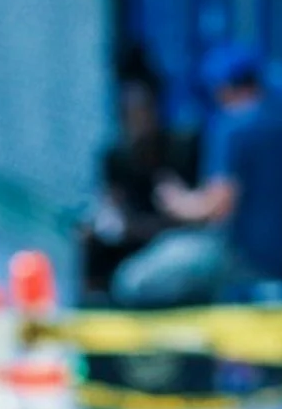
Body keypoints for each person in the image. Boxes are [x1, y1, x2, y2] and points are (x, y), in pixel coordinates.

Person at [110, 43, 282, 308]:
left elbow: (216, 207)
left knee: (132, 282)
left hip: (244, 259)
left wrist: (177, 200)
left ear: (225, 87)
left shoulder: (232, 128)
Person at [77, 43, 200, 304]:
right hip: (133, 232)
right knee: (89, 239)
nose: (139, 123)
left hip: (170, 237)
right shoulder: (116, 157)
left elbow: (189, 212)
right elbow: (112, 207)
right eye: (132, 116)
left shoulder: (181, 149)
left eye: (144, 113)